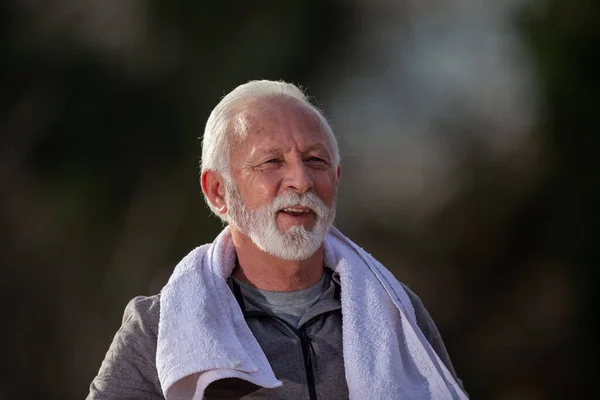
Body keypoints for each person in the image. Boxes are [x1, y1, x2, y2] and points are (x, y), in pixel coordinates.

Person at [87, 80, 468, 400]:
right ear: (218, 191)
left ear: (336, 177)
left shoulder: (398, 313)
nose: (301, 181)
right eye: (271, 162)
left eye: (315, 161)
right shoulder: (158, 329)